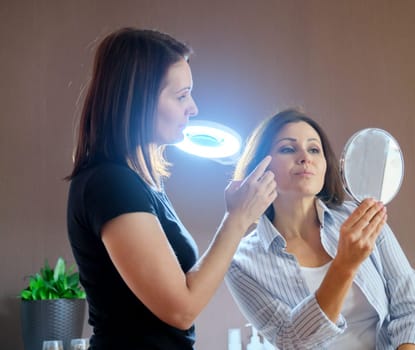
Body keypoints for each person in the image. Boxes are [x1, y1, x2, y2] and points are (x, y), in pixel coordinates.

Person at [66, 27, 277, 350]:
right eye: (181, 96)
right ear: (137, 100)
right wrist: (235, 220)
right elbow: (180, 309)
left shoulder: (144, 184)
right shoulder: (110, 184)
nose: (193, 108)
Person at [225, 108, 415, 350]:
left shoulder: (360, 218)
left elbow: (413, 307)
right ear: (259, 166)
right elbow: (291, 341)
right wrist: (344, 265)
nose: (305, 157)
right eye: (288, 148)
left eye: (314, 149)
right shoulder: (241, 263)